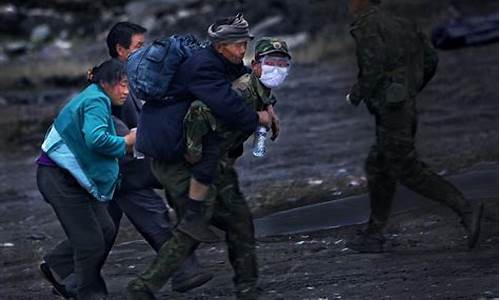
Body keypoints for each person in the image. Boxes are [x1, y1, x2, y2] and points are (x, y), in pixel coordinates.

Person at [126, 36, 291, 300]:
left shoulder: (256, 90)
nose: (278, 69)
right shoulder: (240, 94)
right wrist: (197, 190)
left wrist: (269, 109)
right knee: (194, 225)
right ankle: (142, 287)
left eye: (283, 63)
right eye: (271, 62)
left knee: (240, 220)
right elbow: (208, 137)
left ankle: (247, 287)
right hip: (195, 165)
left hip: (217, 165)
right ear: (256, 64)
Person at [344, 0, 483, 253]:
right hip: (403, 106)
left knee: (406, 169)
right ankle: (374, 235)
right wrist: (409, 89)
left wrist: (356, 94)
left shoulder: (367, 25)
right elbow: (430, 59)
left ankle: (466, 208)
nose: (348, 5)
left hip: (392, 111)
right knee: (378, 166)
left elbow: (372, 68)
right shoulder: (402, 24)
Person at [136, 13, 272, 243]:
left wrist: (269, 105)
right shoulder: (203, 66)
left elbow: (245, 76)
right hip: (167, 133)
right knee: (209, 152)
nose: (243, 50)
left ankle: (196, 223)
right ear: (220, 47)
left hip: (180, 126)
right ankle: (192, 220)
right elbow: (227, 105)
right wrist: (258, 117)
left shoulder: (224, 60)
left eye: (245, 44)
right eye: (239, 45)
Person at [104, 21, 213, 293]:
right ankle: (185, 267)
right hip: (125, 164)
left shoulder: (141, 74)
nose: (146, 51)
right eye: (139, 46)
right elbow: (111, 126)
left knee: (101, 229)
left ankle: (62, 270)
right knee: (156, 210)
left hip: (128, 163)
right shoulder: (115, 80)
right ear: (120, 49)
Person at [37, 59, 135, 300]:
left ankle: (56, 267)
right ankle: (89, 294)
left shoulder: (95, 96)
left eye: (128, 85)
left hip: (74, 178)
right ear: (105, 83)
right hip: (59, 179)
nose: (126, 91)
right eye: (122, 85)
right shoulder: (96, 100)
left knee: (105, 228)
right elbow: (97, 140)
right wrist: (128, 142)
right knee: (90, 243)